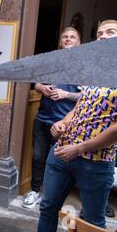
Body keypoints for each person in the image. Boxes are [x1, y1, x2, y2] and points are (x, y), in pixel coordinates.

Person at [37, 20, 117, 232]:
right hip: (60, 154)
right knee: (48, 208)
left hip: (95, 162)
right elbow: (80, 107)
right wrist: (63, 123)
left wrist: (79, 148)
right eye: (99, 33)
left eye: (110, 32)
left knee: (92, 222)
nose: (102, 36)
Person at [23, 27, 81, 209]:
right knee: (38, 157)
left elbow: (87, 97)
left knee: (57, 161)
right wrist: (43, 89)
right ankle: (34, 191)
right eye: (65, 36)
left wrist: (65, 94)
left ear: (79, 43)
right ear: (60, 41)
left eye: (72, 37)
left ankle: (50, 197)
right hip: (42, 118)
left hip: (64, 123)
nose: (68, 39)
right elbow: (37, 84)